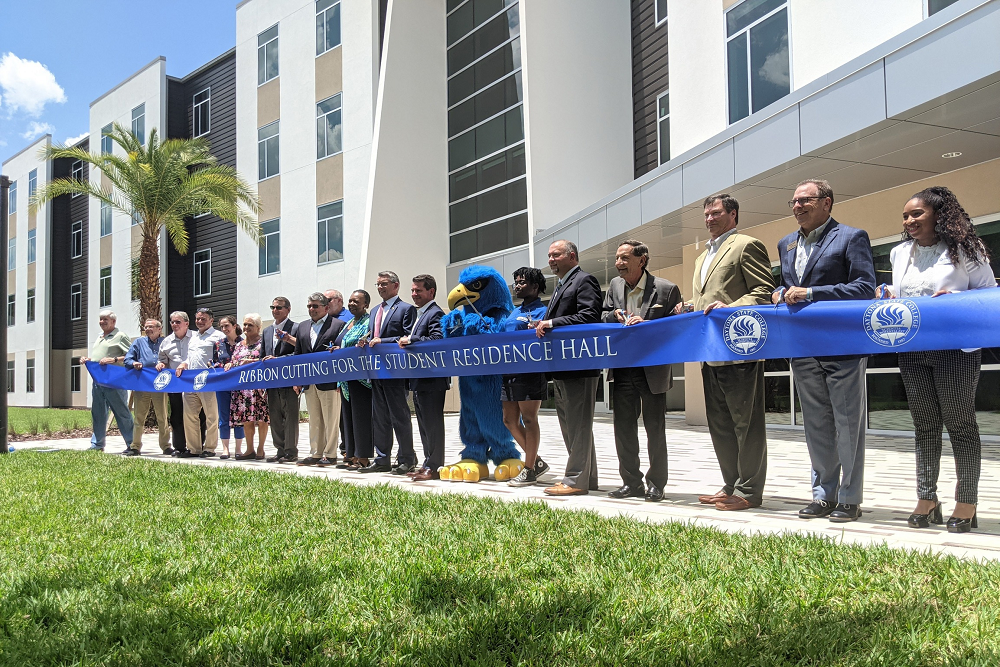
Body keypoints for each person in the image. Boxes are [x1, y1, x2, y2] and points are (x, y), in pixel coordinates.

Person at [880, 186, 996, 533]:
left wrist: (957, 297)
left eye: (917, 214)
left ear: (938, 215)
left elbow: (989, 296)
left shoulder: (966, 250)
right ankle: (927, 498)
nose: (909, 221)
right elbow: (902, 293)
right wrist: (888, 293)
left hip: (955, 350)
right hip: (913, 348)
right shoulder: (899, 253)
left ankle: (967, 501)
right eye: (905, 216)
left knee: (960, 425)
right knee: (924, 425)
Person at [773, 178, 876, 523]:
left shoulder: (851, 236)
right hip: (802, 346)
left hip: (842, 346)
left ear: (827, 202)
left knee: (848, 425)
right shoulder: (786, 243)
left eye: (806, 200)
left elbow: (864, 287)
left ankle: (850, 498)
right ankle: (823, 495)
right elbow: (784, 284)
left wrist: (812, 294)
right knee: (816, 425)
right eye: (794, 202)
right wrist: (778, 293)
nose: (798, 206)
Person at [684, 195, 776, 511]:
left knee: (745, 423)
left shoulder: (746, 245)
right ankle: (731, 485)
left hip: (740, 348)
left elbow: (763, 292)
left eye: (716, 213)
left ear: (733, 214)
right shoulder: (701, 258)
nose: (709, 218)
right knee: (720, 423)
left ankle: (749, 490)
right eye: (706, 214)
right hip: (709, 350)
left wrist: (730, 308)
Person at [602, 241, 681, 503]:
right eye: (617, 258)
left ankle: (656, 484)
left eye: (624, 258)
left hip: (652, 369)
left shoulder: (667, 289)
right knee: (623, 429)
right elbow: (602, 316)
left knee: (654, 429)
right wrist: (613, 316)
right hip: (623, 368)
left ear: (642, 260)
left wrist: (647, 325)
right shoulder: (614, 286)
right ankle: (631, 483)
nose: (618, 263)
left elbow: (675, 328)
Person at [533, 240, 602, 496]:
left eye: (556, 255)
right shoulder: (561, 284)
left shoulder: (584, 280)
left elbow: (589, 316)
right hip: (562, 367)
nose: (551, 259)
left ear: (572, 256)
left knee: (578, 426)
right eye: (549, 256)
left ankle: (574, 481)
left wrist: (552, 322)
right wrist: (542, 323)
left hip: (579, 367)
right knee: (573, 426)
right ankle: (588, 478)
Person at [361, 271, 417, 474]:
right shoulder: (375, 310)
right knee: (380, 417)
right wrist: (366, 342)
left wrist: (382, 342)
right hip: (376, 371)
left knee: (399, 416)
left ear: (395, 285)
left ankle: (406, 458)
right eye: (377, 285)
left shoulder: (406, 309)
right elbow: (372, 335)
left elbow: (408, 336)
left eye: (384, 284)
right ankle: (382, 458)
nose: (380, 288)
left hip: (396, 371)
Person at [503, 267, 551, 487]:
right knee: (509, 420)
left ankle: (529, 469)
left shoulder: (543, 311)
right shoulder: (513, 311)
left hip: (530, 371)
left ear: (536, 286)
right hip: (508, 371)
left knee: (529, 419)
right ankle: (537, 461)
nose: (517, 285)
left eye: (522, 282)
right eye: (516, 281)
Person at [398, 274, 448, 481]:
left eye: (418, 290)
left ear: (431, 292)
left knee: (433, 424)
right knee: (424, 424)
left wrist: (412, 339)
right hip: (419, 378)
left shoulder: (435, 313)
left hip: (432, 379)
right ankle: (428, 462)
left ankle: (435, 466)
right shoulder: (421, 313)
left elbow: (436, 339)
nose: (414, 294)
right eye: (412, 290)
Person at [293, 292, 346, 467]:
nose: (312, 309)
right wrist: (297, 380)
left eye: (315, 306)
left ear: (326, 307)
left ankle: (330, 455)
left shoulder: (338, 325)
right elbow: (298, 355)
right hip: (309, 381)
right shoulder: (302, 327)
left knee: (331, 419)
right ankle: (315, 453)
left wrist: (340, 381)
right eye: (309, 305)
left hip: (330, 381)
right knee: (314, 419)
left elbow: (342, 355)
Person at [81, 309, 134, 453]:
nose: (102, 322)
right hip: (98, 381)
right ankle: (97, 444)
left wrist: (114, 359)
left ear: (113, 321)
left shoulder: (120, 336)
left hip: (115, 380)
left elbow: (131, 355)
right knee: (98, 413)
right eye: (101, 319)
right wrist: (89, 360)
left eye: (105, 319)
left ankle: (132, 444)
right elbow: (100, 358)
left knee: (121, 413)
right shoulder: (100, 337)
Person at [178, 307, 225, 458]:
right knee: (190, 415)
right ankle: (193, 449)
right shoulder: (193, 337)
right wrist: (184, 363)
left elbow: (223, 358)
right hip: (191, 382)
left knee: (212, 416)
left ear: (211, 320)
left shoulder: (219, 336)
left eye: (203, 319)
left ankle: (210, 448)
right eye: (197, 318)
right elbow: (189, 357)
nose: (199, 321)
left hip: (209, 382)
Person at [336, 290, 374, 470]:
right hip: (345, 380)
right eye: (350, 301)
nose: (351, 304)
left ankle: (364, 456)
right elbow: (344, 345)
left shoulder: (369, 322)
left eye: (356, 301)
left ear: (365, 304)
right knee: (348, 419)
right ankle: (351, 454)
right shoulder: (349, 323)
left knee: (361, 418)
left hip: (362, 380)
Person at [123, 318, 170, 456]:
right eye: (146, 327)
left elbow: (171, 359)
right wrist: (134, 363)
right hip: (142, 384)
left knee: (162, 417)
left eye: (151, 327)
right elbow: (127, 359)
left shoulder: (165, 342)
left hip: (160, 384)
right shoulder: (139, 342)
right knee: (139, 417)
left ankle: (166, 446)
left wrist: (164, 364)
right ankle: (135, 447)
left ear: (159, 329)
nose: (148, 329)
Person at [228, 313, 270, 461]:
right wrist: (229, 364)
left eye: (250, 325)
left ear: (258, 328)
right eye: (245, 324)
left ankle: (260, 449)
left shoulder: (263, 343)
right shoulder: (239, 344)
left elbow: (266, 361)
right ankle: (250, 449)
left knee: (262, 418)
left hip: (259, 387)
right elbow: (234, 361)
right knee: (247, 419)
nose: (246, 327)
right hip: (242, 388)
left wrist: (252, 362)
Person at [262, 296, 299, 463]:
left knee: (290, 416)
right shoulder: (267, 331)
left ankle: (291, 451)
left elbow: (300, 353)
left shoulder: (296, 328)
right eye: (273, 307)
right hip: (271, 381)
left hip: (289, 379)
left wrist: (279, 361)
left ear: (288, 310)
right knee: (275, 416)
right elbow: (263, 355)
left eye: (279, 308)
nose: (275, 311)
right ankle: (280, 449)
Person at [157, 311, 197, 455]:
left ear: (186, 323)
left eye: (178, 322)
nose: (174, 324)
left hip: (195, 382)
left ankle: (198, 447)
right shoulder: (166, 341)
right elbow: (162, 359)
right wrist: (161, 364)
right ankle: (179, 447)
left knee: (198, 415)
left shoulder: (196, 337)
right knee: (177, 415)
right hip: (176, 384)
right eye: (172, 322)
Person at [215, 315, 245, 459]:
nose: (224, 329)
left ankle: (238, 448)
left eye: (226, 325)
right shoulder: (218, 344)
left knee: (239, 415)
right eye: (221, 326)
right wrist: (219, 366)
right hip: (222, 384)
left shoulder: (244, 342)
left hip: (240, 384)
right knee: (223, 416)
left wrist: (234, 365)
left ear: (234, 326)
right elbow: (214, 362)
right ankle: (225, 448)